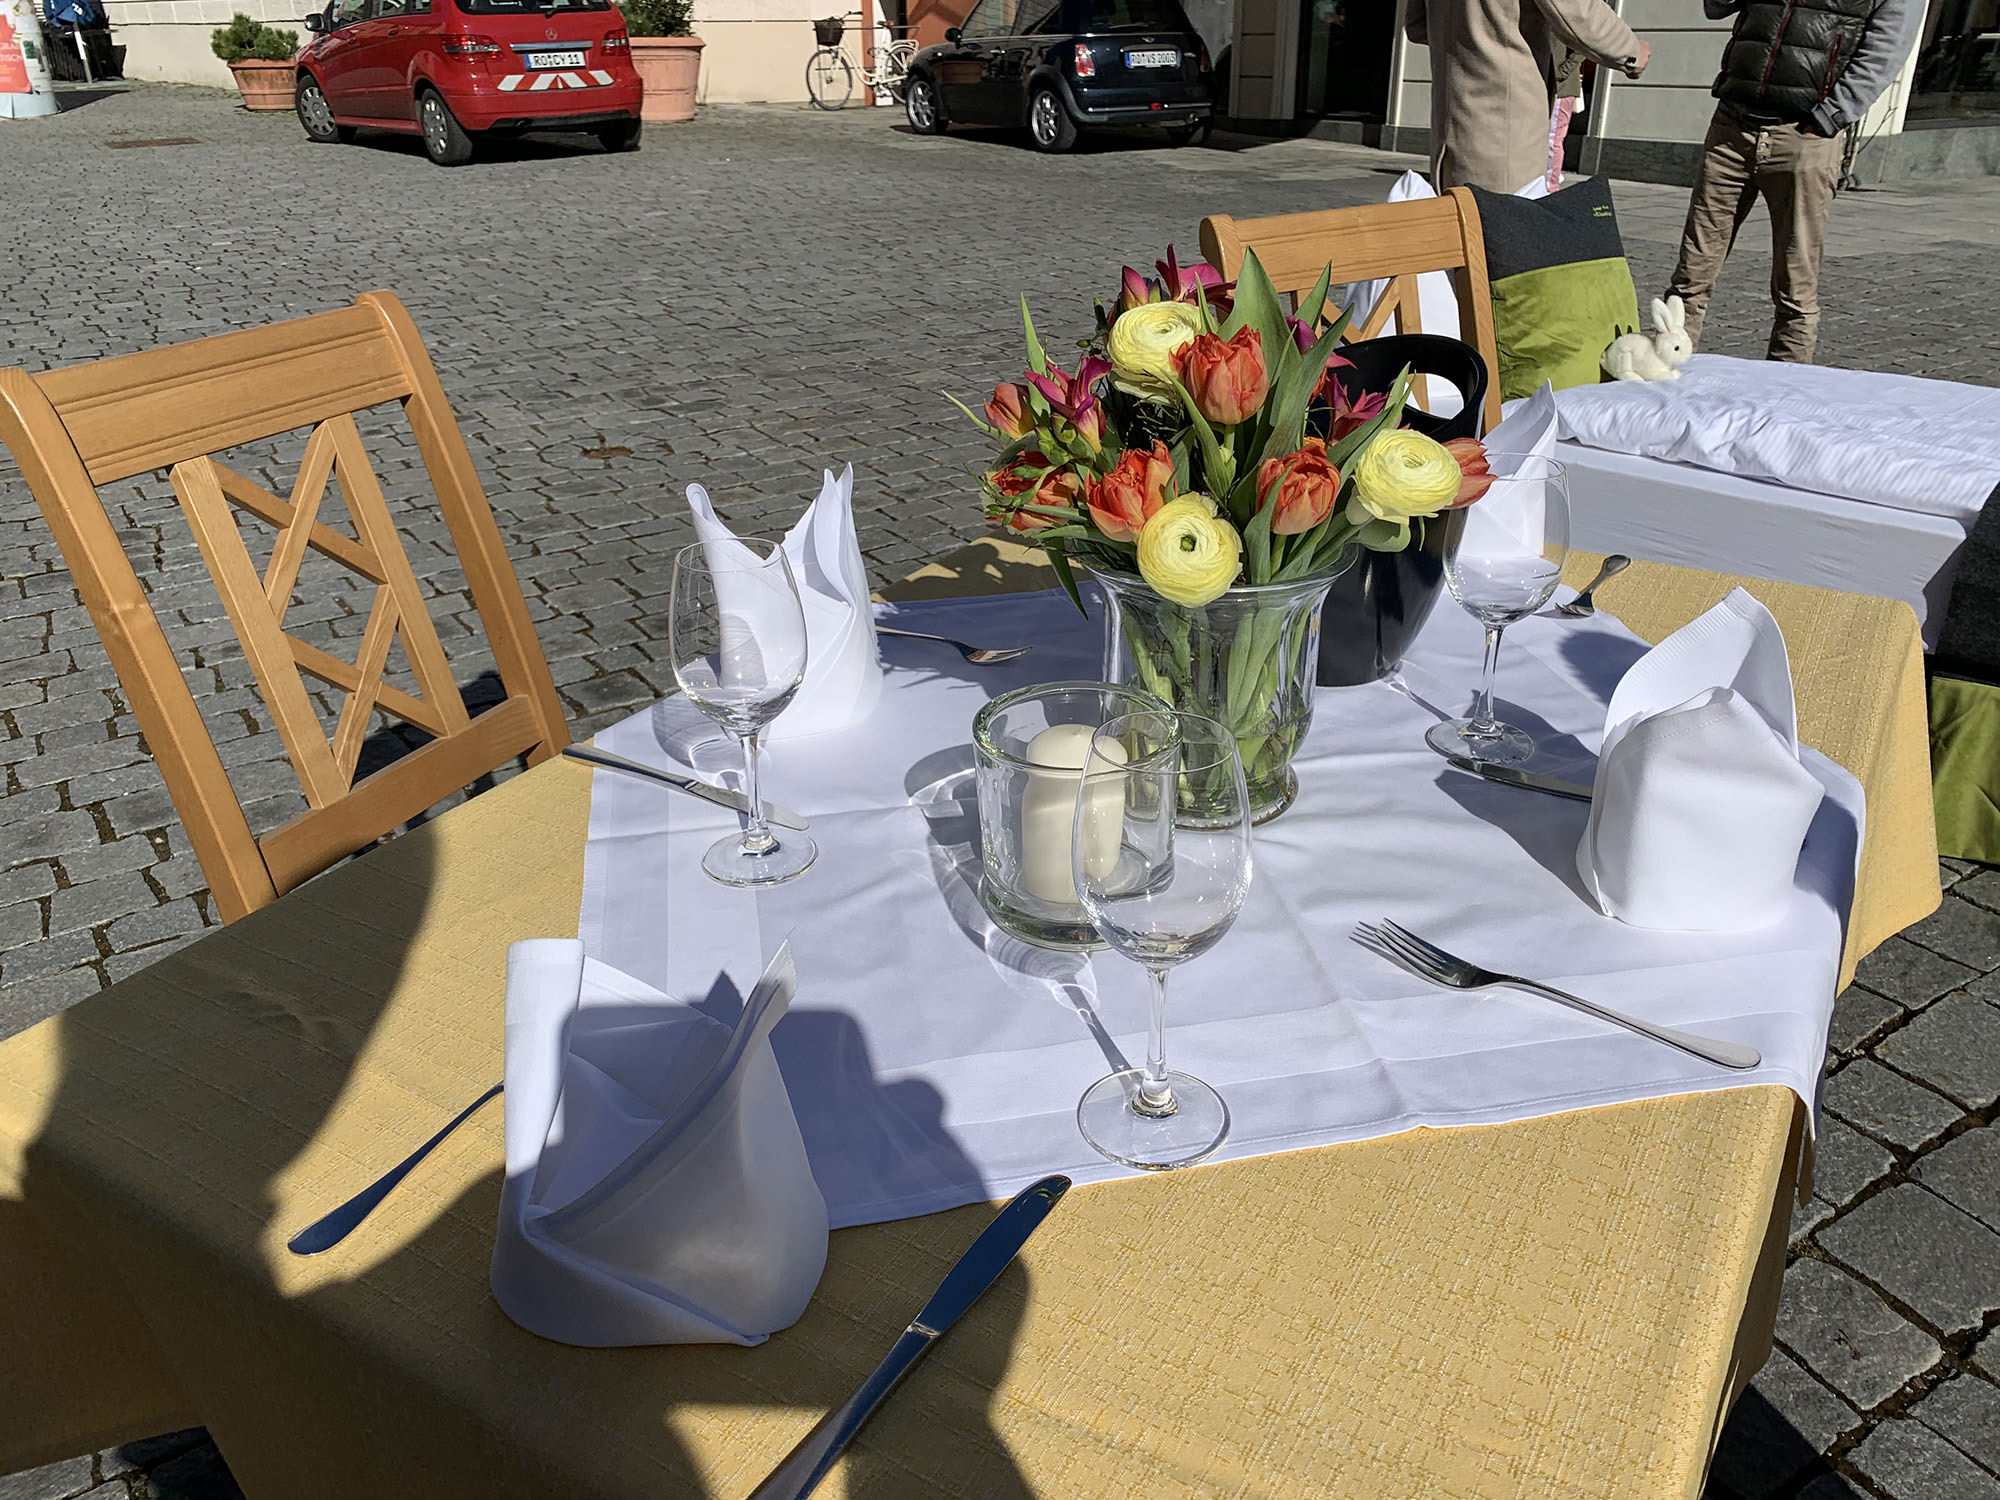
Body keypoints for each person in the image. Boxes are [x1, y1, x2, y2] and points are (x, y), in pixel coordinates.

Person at [1666, 0, 1916, 362]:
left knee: (1795, 289)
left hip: (1804, 138)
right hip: (1732, 127)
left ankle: (1787, 386)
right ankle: (1664, 372)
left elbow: (1887, 47)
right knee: (1691, 275)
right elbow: (1715, 6)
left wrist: (1832, 115)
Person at [1405, 0, 1650, 193]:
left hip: (1451, 130)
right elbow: (1576, 11)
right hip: (1508, 127)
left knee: (1461, 232)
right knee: (1506, 232)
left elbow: (1417, 25)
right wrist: (1631, 49)